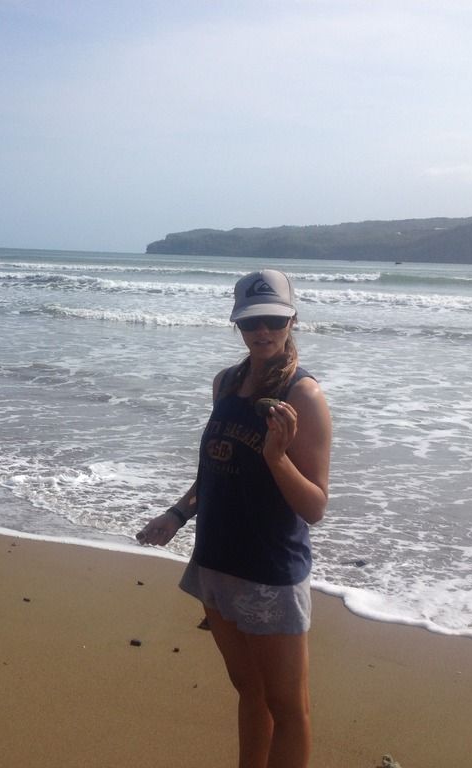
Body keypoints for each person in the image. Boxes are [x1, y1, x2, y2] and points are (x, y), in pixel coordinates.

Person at [137, 269, 332, 768]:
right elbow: (215, 467)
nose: (262, 331)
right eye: (250, 322)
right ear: (237, 324)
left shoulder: (303, 395)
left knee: (287, 708)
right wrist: (177, 514)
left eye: (273, 320)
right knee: (249, 690)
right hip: (217, 561)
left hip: (270, 572)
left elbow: (314, 507)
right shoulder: (226, 382)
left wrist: (277, 458)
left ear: (292, 319)